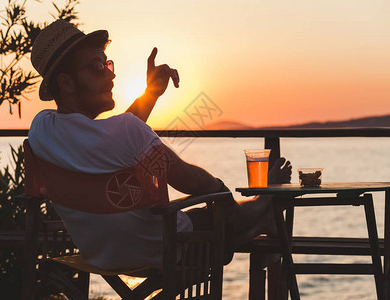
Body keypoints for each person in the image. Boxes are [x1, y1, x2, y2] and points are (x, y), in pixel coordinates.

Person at [28, 20, 291, 270]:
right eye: (97, 67)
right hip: (166, 250)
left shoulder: (40, 130)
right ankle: (263, 202)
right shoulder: (126, 132)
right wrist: (222, 194)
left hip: (101, 256)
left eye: (108, 64)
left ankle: (259, 215)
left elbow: (111, 139)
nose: (111, 74)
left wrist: (150, 93)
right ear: (65, 82)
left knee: (227, 220)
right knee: (220, 215)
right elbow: (191, 180)